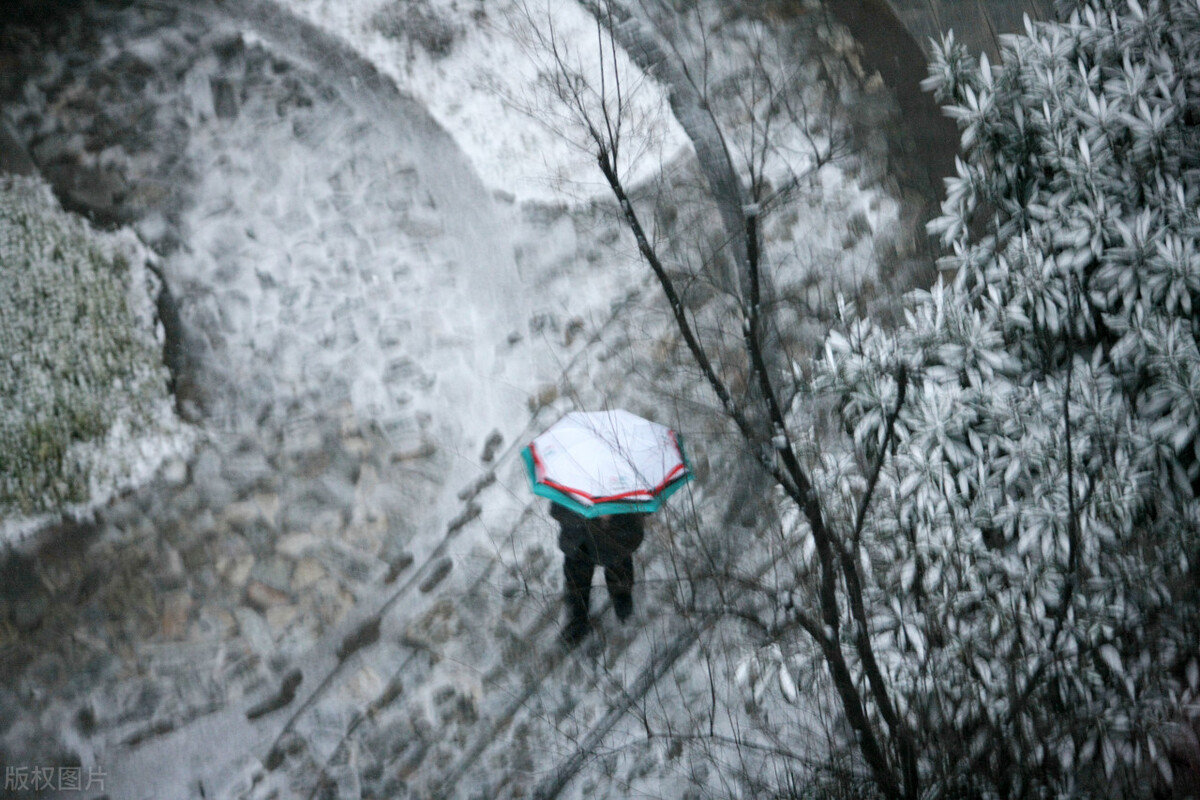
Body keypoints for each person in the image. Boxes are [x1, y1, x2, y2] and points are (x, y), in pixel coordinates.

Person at [550, 502, 647, 646]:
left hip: (615, 538)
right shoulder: (569, 484)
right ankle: (578, 621)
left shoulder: (626, 485)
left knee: (620, 575)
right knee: (577, 583)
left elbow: (644, 509)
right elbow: (557, 510)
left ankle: (623, 608)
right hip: (579, 542)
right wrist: (581, 514)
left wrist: (614, 515)